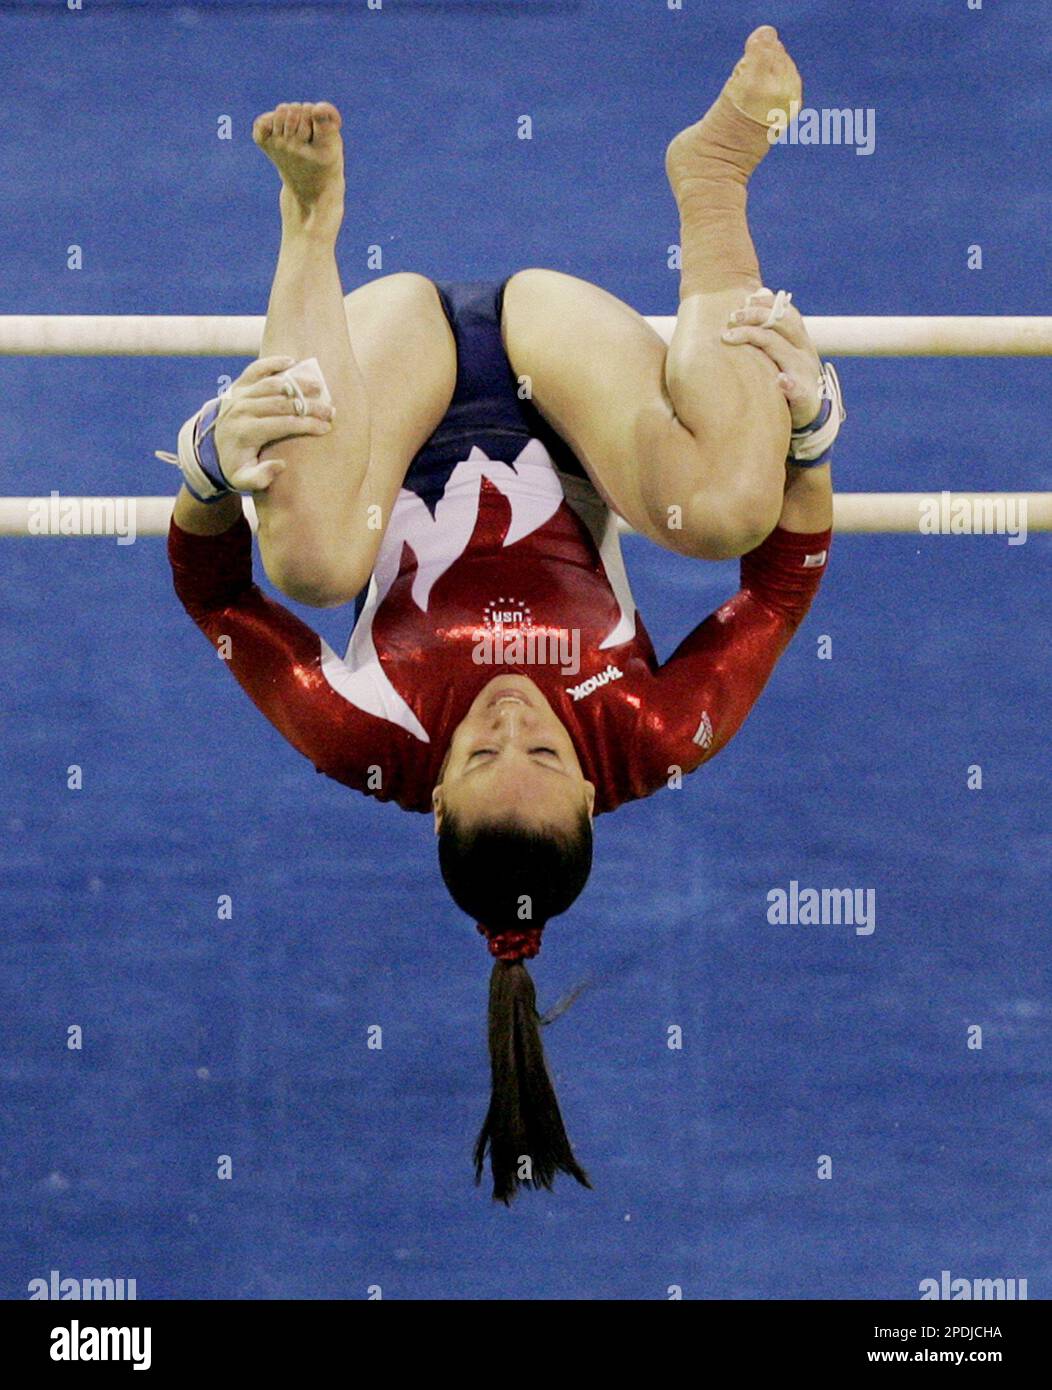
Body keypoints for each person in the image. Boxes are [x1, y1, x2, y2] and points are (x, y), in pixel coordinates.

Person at [162, 26, 844, 1203]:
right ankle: (714, 180)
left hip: (387, 397)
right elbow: (781, 577)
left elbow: (213, 590)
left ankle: (309, 227)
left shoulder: (364, 738)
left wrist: (210, 471)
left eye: (482, 751)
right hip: (564, 384)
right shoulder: (653, 734)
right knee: (731, 502)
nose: (515, 716)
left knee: (313, 560)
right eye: (544, 749)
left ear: (431, 804)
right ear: (592, 792)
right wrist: (809, 430)